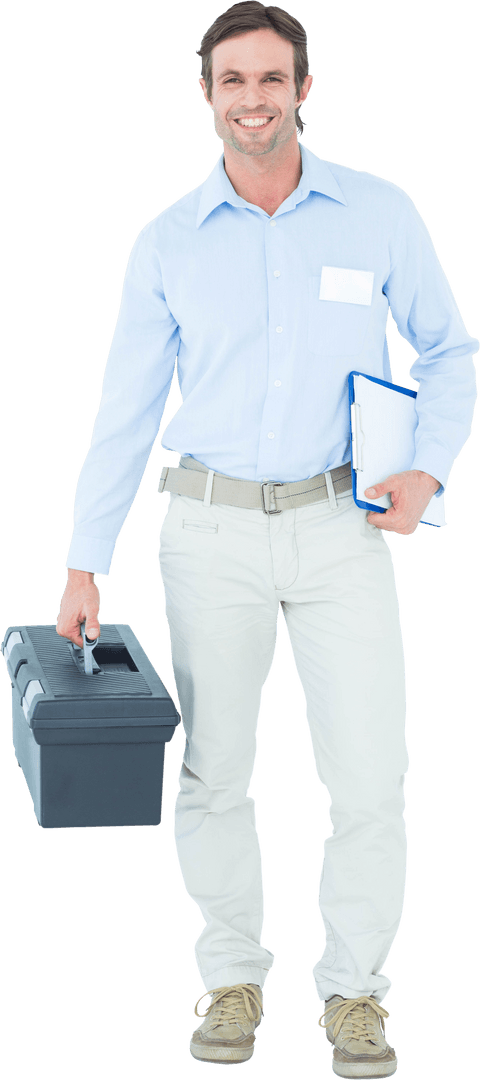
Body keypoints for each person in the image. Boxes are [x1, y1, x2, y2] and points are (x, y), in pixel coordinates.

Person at [56, 2, 478, 1073]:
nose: (254, 99)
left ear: (304, 89)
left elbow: (448, 350)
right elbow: (124, 411)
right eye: (233, 80)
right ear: (207, 95)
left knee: (371, 777)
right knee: (214, 772)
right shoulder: (167, 241)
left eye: (272, 78)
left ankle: (356, 994)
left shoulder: (379, 213)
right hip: (209, 533)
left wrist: (429, 466)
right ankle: (234, 979)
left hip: (343, 527)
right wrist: (84, 562)